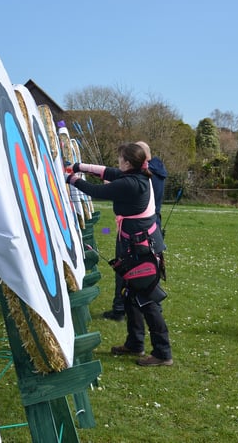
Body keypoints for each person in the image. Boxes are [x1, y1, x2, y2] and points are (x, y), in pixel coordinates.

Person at [67, 143, 173, 366]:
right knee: (130, 295)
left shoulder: (132, 183)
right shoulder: (135, 174)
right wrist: (77, 166)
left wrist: (71, 179)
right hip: (135, 246)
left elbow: (97, 191)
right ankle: (135, 343)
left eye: (120, 159)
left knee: (147, 300)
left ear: (127, 162)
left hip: (142, 249)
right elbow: (105, 171)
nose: (117, 163)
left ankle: (163, 352)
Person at [103, 141, 168, 322]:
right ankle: (134, 317)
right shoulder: (154, 173)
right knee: (144, 272)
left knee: (135, 271)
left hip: (140, 232)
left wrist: (115, 187)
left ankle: (122, 309)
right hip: (150, 228)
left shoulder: (146, 176)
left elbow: (133, 193)